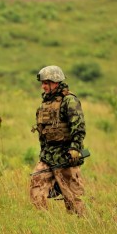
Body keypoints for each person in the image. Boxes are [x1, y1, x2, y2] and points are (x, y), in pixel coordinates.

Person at [30, 65, 87, 216]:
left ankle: (81, 226)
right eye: (42, 83)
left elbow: (78, 127)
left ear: (56, 81)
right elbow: (43, 135)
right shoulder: (43, 106)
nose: (43, 86)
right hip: (48, 156)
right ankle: (44, 221)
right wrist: (43, 154)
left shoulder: (69, 101)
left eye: (46, 83)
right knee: (36, 184)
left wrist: (75, 148)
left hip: (66, 156)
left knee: (73, 199)